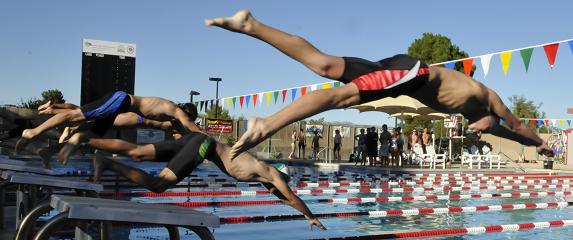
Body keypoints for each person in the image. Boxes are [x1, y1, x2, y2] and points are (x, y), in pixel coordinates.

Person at [205, 10, 553, 160]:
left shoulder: (473, 112)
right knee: (340, 97)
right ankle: (267, 124)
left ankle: (252, 25)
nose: (478, 130)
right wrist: (542, 142)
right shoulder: (488, 98)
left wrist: (529, 145)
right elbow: (517, 125)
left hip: (401, 75)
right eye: (484, 126)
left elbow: (507, 132)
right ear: (489, 114)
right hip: (411, 75)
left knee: (324, 65)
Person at [79, 131, 326, 230]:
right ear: (281, 176)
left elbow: (282, 197)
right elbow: (290, 198)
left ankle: (88, 141)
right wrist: (310, 215)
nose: (277, 190)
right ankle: (107, 162)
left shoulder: (262, 173)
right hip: (201, 146)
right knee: (158, 185)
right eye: (281, 185)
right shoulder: (271, 174)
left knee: (138, 151)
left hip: (197, 141)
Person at [16, 91, 204, 155]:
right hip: (121, 100)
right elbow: (190, 126)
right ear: (185, 112)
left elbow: (181, 135)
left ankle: (50, 152)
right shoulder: (173, 109)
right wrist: (211, 141)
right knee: (76, 114)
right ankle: (33, 132)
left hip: (121, 109)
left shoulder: (171, 117)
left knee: (92, 135)